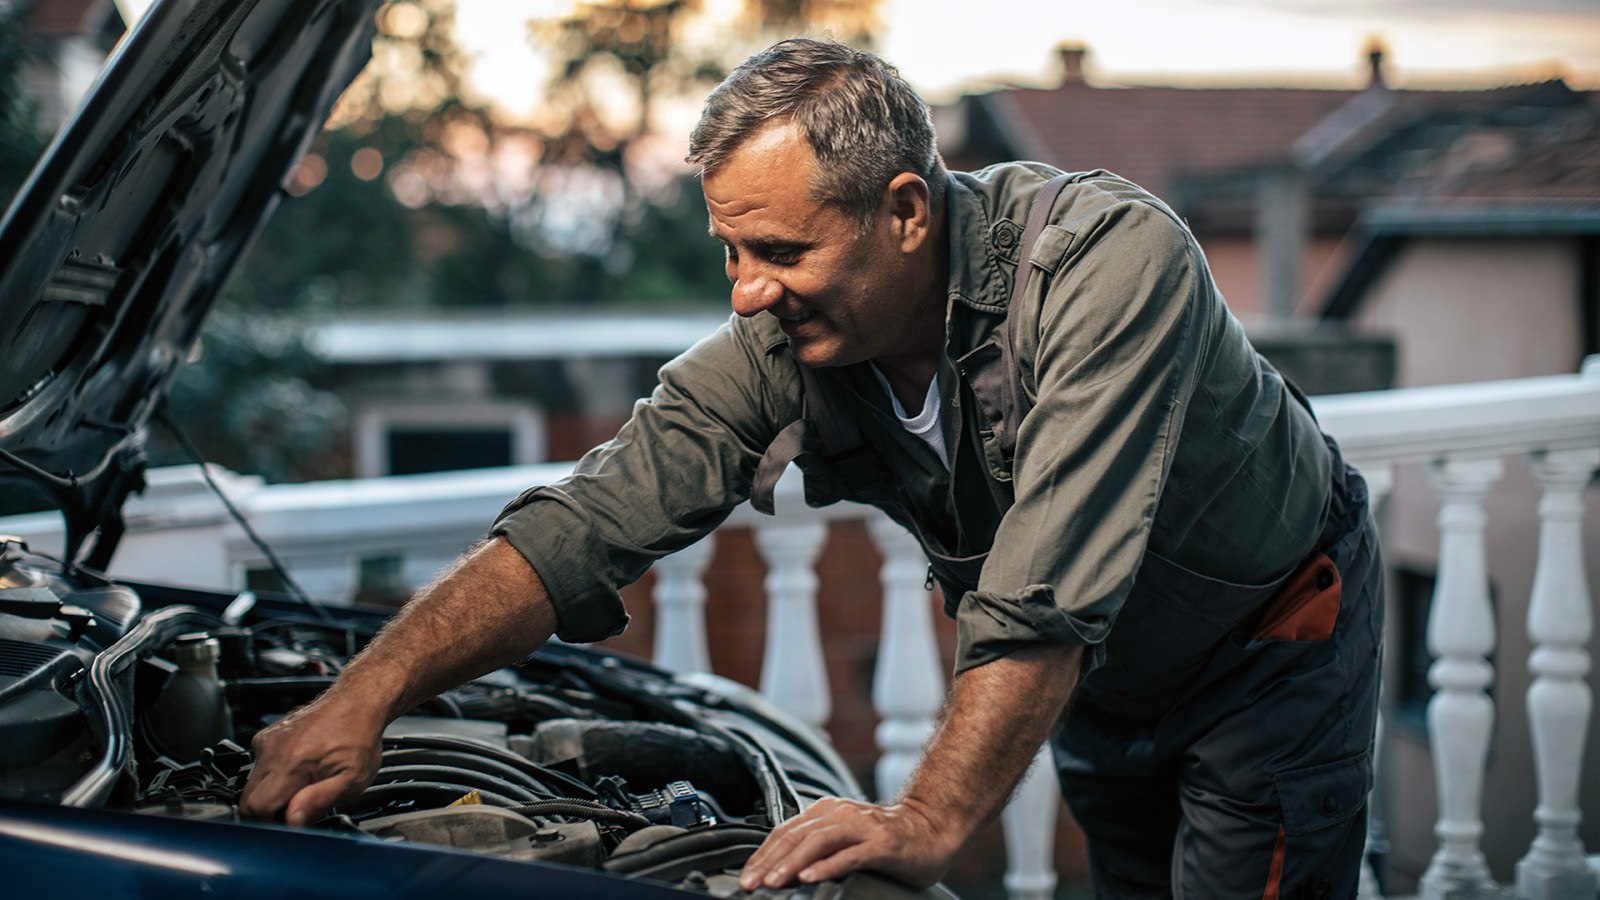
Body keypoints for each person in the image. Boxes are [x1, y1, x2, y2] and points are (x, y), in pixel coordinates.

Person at [241, 38, 1383, 899]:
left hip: (1265, 649)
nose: (745, 290)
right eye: (730, 251)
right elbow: (585, 519)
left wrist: (929, 815)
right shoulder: (789, 344)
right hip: (1101, 681)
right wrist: (362, 699)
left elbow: (1046, 584)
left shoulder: (1105, 266)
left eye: (781, 251)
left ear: (902, 211)